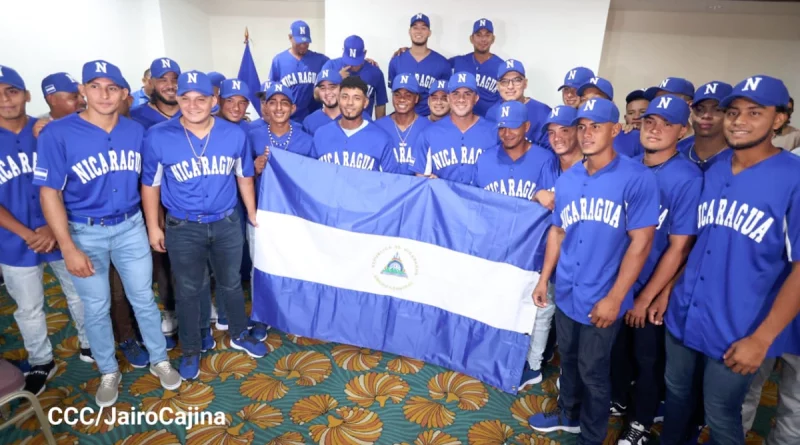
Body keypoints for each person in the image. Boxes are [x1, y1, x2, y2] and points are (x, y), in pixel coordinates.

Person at [660, 75, 800, 445]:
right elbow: (701, 243)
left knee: (720, 414)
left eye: (755, 112)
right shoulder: (716, 169)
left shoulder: (794, 177)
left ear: (779, 119)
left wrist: (763, 339)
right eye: (734, 112)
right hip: (686, 310)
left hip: (739, 326)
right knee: (676, 399)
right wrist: (670, 291)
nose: (739, 120)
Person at [34, 60, 181, 407]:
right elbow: (49, 193)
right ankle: (108, 370)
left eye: (112, 87)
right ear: (83, 91)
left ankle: (160, 359)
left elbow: (150, 182)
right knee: (96, 306)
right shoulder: (57, 133)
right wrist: (68, 247)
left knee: (143, 298)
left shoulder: (136, 131)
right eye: (95, 86)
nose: (103, 94)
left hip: (130, 226)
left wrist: (152, 225)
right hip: (85, 231)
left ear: (124, 93)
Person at [527, 98, 659, 445]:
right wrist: (544, 279)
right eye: (581, 127)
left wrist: (617, 298)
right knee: (567, 362)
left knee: (594, 372)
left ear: (615, 130)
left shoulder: (637, 177)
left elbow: (642, 242)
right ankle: (568, 416)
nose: (586, 134)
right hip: (568, 288)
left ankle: (591, 436)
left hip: (603, 295)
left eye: (596, 126)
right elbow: (557, 232)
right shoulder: (569, 179)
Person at [141, 71, 268, 380]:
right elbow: (150, 186)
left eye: (200, 99)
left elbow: (243, 176)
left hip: (226, 221)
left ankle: (238, 332)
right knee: (188, 290)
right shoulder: (158, 135)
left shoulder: (234, 134)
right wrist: (154, 228)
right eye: (185, 98)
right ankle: (192, 348)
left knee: (231, 283)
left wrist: (252, 213)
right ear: (177, 99)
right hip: (183, 226)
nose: (193, 105)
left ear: (213, 101)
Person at [610, 95, 702, 445]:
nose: (656, 129)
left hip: (649, 284)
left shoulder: (688, 177)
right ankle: (619, 402)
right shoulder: (626, 165)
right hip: (619, 279)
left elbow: (680, 246)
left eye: (666, 123)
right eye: (650, 121)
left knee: (648, 361)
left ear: (682, 130)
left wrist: (648, 297)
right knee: (616, 350)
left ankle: (641, 422)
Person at [0, 66, 92, 396]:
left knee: (79, 292)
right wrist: (28, 233)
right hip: (13, 239)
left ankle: (89, 342)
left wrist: (53, 228)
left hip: (59, 231)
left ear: (26, 95)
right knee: (28, 307)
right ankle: (41, 360)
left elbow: (73, 182)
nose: (5, 100)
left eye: (11, 91)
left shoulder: (50, 131)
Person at [471, 100, 556, 388]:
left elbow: (552, 204)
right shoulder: (485, 159)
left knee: (537, 308)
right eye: (502, 127)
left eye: (513, 127)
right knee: (496, 300)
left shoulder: (545, 159)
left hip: (533, 246)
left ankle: (533, 364)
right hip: (496, 245)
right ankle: (495, 353)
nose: (506, 133)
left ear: (527, 127)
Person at [409, 72, 496, 184]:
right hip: (444, 201)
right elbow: (421, 178)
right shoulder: (429, 134)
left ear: (476, 98)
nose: (461, 99)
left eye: (467, 94)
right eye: (455, 94)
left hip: (482, 201)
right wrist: (429, 182)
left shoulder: (494, 132)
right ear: (449, 98)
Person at [309, 76, 397, 172]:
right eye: (345, 97)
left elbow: (391, 182)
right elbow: (312, 176)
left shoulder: (382, 139)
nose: (350, 103)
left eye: (357, 98)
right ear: (338, 99)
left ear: (365, 102)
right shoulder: (321, 134)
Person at [387, 14, 451, 117]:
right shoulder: (396, 60)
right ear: (409, 31)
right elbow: (395, 94)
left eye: (423, 28)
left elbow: (446, 97)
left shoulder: (442, 63)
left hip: (429, 120)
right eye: (415, 27)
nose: (419, 31)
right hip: (402, 118)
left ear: (429, 32)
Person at [269, 20, 329, 122]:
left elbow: (338, 70)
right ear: (290, 37)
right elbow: (273, 91)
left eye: (306, 42)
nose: (303, 45)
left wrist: (364, 63)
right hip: (287, 119)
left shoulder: (321, 60)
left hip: (314, 118)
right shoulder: (279, 61)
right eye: (299, 41)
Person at [485, 59, 552, 149]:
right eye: (504, 81)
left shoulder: (543, 111)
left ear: (525, 83)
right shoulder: (492, 113)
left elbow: (551, 151)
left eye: (517, 80)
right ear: (498, 86)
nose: (510, 86)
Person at [320, 36, 388, 120]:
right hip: (334, 124)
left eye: (356, 62)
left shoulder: (375, 72)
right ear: (343, 52)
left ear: (365, 53)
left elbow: (380, 104)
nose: (352, 66)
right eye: (349, 60)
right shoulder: (331, 66)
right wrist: (336, 79)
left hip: (363, 126)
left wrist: (379, 129)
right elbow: (317, 95)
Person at [374, 74, 430, 175]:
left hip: (417, 188)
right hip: (386, 187)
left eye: (408, 95)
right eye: (397, 94)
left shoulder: (428, 127)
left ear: (416, 98)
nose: (402, 99)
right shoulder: (378, 127)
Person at [449, 19, 504, 117]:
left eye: (487, 35)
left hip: (489, 121)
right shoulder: (458, 62)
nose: (483, 39)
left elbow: (505, 98)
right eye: (479, 35)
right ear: (471, 39)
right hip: (461, 119)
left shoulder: (501, 66)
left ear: (493, 39)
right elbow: (437, 67)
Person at [680, 81, 733, 171]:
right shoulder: (678, 150)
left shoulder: (741, 158)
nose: (706, 115)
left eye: (717, 110)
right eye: (700, 109)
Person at [302, 69, 369, 135]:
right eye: (322, 88)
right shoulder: (310, 121)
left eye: (332, 87)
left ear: (342, 89)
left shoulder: (361, 117)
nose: (327, 92)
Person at [130, 58, 181, 128]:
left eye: (175, 79)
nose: (170, 86)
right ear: (151, 83)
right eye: (163, 80)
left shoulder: (193, 112)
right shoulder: (135, 116)